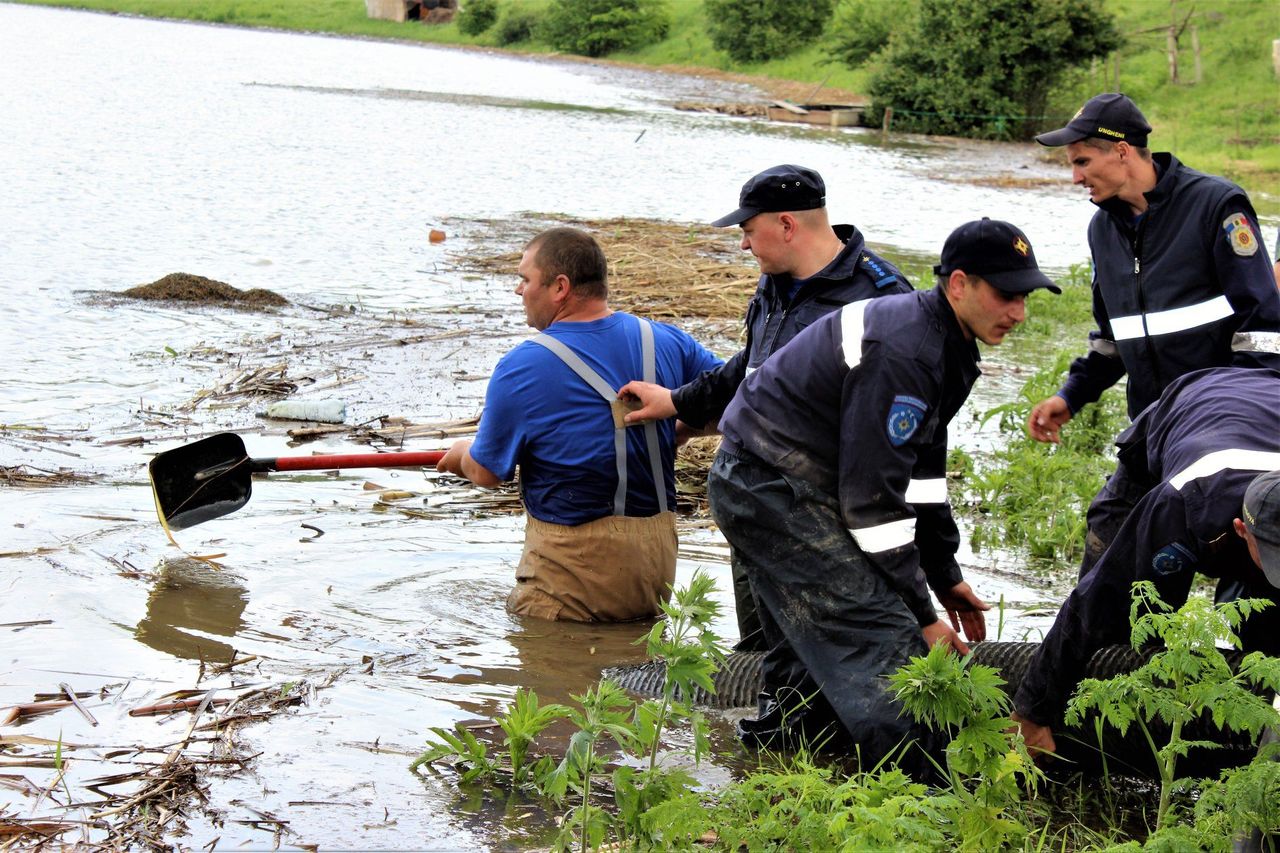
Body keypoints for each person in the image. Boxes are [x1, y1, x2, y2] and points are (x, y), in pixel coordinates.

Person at [707, 218, 1060, 771]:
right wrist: (922, 612)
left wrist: (944, 575)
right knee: (889, 646)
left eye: (1025, 299)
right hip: (766, 484)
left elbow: (921, 472)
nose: (1019, 313)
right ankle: (917, 803)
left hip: (792, 479)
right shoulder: (908, 350)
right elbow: (872, 505)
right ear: (960, 284)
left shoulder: (953, 347)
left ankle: (785, 772)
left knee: (819, 645)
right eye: (1007, 295)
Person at [618, 164, 913, 650]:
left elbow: (900, 421)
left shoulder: (881, 298)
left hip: (823, 512)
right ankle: (759, 718)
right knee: (760, 645)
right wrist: (679, 404)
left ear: (787, 225)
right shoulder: (775, 283)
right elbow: (753, 370)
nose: (743, 245)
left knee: (824, 645)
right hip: (755, 500)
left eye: (749, 231)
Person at [436, 227, 722, 623]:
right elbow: (741, 400)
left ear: (560, 287)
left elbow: (486, 473)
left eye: (525, 278)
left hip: (569, 583)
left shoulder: (523, 367)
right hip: (655, 575)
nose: (519, 290)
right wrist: (685, 426)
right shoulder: (667, 340)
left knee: (547, 675)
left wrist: (461, 456)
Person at [1012, 367, 1280, 758]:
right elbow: (1095, 601)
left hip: (1267, 402)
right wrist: (1032, 711)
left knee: (1265, 629)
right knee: (1134, 619)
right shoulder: (1182, 501)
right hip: (1190, 405)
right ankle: (1084, 744)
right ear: (1241, 530)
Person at [1026, 93, 1280, 444]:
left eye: (1082, 162)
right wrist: (1071, 396)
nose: (1075, 177)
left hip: (1219, 425)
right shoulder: (1102, 230)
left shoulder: (1216, 206)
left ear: (1121, 151)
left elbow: (1264, 329)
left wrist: (1233, 413)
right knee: (1111, 504)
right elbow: (1112, 341)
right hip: (1151, 427)